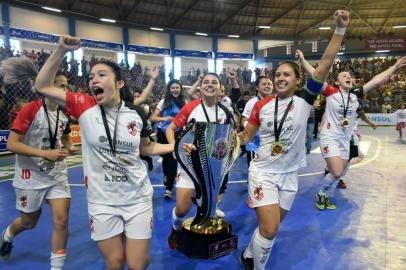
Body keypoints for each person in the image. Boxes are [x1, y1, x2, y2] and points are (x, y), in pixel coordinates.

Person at [34, 35, 174, 270]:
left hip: (137, 198)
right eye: (91, 77)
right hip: (102, 202)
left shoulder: (136, 113)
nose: (93, 80)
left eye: (101, 75)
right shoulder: (85, 105)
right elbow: (42, 86)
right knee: (115, 262)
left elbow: (146, 148)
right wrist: (60, 51)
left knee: (138, 265)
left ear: (119, 83)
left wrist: (174, 146)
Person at [237, 10, 350, 270]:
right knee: (270, 227)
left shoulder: (304, 100)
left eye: (286, 75)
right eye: (277, 75)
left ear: (298, 80)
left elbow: (325, 63)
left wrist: (339, 30)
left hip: (289, 175)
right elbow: (246, 137)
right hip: (263, 171)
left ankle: (248, 254)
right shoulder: (261, 106)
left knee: (272, 229)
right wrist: (222, 145)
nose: (280, 78)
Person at [296, 50, 406, 210]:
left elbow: (376, 81)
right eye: (344, 76)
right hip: (330, 137)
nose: (348, 77)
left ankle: (325, 195)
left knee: (343, 170)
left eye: (350, 76)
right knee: (337, 171)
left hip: (345, 139)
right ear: (337, 82)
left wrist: (395, 66)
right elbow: (316, 74)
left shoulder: (354, 95)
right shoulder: (331, 92)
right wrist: (303, 61)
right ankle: (321, 193)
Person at [0, 58, 77, 270]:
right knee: (29, 222)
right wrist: (45, 153)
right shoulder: (30, 110)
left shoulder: (64, 114)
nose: (65, 90)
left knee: (61, 221)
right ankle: (7, 235)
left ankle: (56, 268)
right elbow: (12, 144)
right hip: (30, 176)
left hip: (57, 175)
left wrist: (68, 147)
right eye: (61, 86)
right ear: (48, 88)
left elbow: (66, 137)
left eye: (66, 86)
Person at [165, 72, 235, 249]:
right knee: (182, 209)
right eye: (206, 82)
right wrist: (176, 148)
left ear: (220, 89)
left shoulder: (226, 111)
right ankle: (174, 228)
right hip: (189, 166)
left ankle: (207, 210)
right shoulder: (191, 108)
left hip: (213, 168)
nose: (210, 85)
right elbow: (171, 129)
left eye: (214, 82)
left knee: (208, 205)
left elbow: (232, 137)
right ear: (201, 87)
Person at [150, 79, 186, 199]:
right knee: (166, 160)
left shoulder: (184, 101)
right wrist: (165, 118)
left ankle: (169, 188)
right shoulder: (163, 102)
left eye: (177, 87)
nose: (175, 89)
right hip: (163, 134)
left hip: (177, 134)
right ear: (169, 90)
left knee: (173, 160)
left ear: (180, 89)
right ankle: (166, 176)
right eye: (173, 88)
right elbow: (153, 117)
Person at [241, 76, 273, 166]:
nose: (268, 86)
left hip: (272, 143)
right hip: (254, 144)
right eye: (264, 84)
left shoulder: (276, 102)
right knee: (254, 172)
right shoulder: (251, 102)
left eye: (270, 84)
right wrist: (254, 126)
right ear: (257, 87)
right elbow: (243, 120)